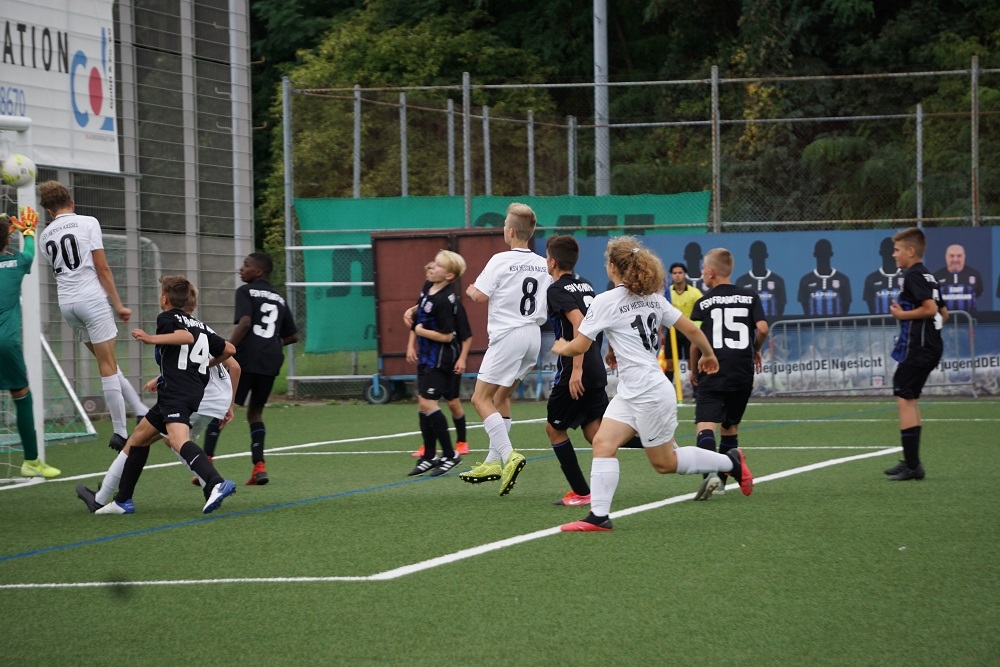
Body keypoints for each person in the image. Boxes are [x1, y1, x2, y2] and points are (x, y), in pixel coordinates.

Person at [552, 236, 754, 532]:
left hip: (649, 393)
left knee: (664, 463)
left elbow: (580, 345)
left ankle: (731, 462)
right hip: (632, 392)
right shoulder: (653, 297)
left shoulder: (606, 301)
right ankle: (599, 516)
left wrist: (562, 347)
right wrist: (708, 354)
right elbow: (691, 330)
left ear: (613, 267)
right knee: (603, 443)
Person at [75, 284, 241, 510]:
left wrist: (150, 338)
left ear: (165, 299)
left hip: (184, 393)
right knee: (140, 437)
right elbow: (229, 354)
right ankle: (119, 500)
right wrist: (188, 373)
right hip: (195, 392)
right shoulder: (201, 327)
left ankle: (214, 483)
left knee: (177, 440)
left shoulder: (170, 319)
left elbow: (185, 338)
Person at [37, 181, 148, 451]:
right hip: (92, 300)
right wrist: (118, 305)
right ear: (71, 203)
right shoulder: (88, 222)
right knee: (107, 365)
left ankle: (141, 410)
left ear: (49, 211)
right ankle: (120, 432)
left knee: (107, 361)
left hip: (67, 305)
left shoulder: (44, 236)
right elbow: (102, 268)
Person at [459, 202, 551, 496]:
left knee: (480, 398)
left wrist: (470, 289)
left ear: (510, 231)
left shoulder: (500, 260)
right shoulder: (542, 263)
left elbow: (480, 296)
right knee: (501, 397)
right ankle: (492, 462)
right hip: (533, 337)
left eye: (504, 225)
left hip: (509, 335)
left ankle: (509, 456)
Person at [689, 248, 769, 498]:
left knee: (705, 425)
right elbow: (763, 329)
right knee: (730, 426)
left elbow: (695, 340)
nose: (702, 272)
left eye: (704, 268)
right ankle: (721, 484)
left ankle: (710, 476)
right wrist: (756, 349)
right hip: (742, 370)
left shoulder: (703, 302)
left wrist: (693, 369)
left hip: (712, 367)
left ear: (712, 272)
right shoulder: (750, 296)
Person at [544, 234, 605, 507]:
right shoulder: (586, 285)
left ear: (553, 262)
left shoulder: (556, 289)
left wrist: (576, 369)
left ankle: (581, 493)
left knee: (554, 429)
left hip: (576, 370)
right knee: (596, 434)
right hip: (596, 366)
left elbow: (580, 323)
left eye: (547, 257)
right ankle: (660, 443)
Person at [229, 252, 299, 485]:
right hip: (271, 359)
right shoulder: (279, 298)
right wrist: (273, 344)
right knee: (255, 413)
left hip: (247, 357)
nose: (241, 269)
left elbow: (245, 322)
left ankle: (205, 463)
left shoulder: (245, 291)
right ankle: (259, 467)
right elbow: (293, 336)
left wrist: (227, 349)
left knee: (222, 408)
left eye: (246, 265)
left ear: (258, 271)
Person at [0, 208, 60, 479]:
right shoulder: (17, 263)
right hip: (5, 345)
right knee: (22, 397)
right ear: (7, 240)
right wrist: (27, 230)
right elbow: (29, 251)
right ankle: (31, 461)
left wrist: (4, 228)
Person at [884, 228, 944, 481]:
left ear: (911, 251)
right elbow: (943, 313)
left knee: (904, 397)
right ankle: (911, 461)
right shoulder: (929, 275)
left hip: (918, 347)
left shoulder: (913, 275)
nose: (893, 254)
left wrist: (902, 315)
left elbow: (930, 309)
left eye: (897, 250)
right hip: (928, 345)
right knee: (909, 397)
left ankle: (913, 466)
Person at [402, 250, 467, 477]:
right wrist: (412, 314)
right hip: (426, 356)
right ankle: (429, 455)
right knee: (423, 405)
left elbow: (447, 336)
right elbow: (420, 313)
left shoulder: (445, 300)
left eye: (438, 265)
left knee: (428, 403)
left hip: (440, 359)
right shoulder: (428, 287)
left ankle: (450, 454)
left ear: (449, 276)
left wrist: (419, 330)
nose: (432, 267)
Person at [660, 262, 702, 381]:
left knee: (692, 362)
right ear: (671, 275)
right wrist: (660, 332)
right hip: (672, 330)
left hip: (689, 331)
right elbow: (662, 313)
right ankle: (669, 390)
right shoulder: (667, 293)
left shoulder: (695, 293)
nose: (677, 275)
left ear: (685, 274)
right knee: (669, 363)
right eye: (674, 273)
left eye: (680, 273)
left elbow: (702, 311)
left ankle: (696, 389)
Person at [797, 238, 852, 316]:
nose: (823, 255)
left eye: (825, 252)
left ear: (831, 254)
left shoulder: (843, 279)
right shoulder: (806, 280)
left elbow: (846, 307)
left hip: (837, 324)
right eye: (820, 252)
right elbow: (805, 308)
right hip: (813, 324)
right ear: (815, 254)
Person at [735, 240, 787, 318]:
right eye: (756, 254)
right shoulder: (741, 282)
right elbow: (738, 307)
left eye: (760, 254)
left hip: (772, 325)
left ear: (766, 255)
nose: (758, 257)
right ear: (750, 256)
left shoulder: (778, 281)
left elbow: (781, 308)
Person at [933, 244, 983, 312]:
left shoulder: (975, 275)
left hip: (969, 318)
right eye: (952, 256)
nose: (955, 259)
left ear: (964, 257)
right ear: (946, 257)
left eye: (959, 256)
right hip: (943, 318)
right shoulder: (936, 276)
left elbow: (978, 292)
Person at [862, 237, 902, 315]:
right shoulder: (871, 279)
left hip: (904, 322)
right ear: (881, 253)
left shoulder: (908, 277)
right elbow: (870, 306)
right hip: (879, 323)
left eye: (893, 251)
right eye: (887, 251)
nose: (890, 255)